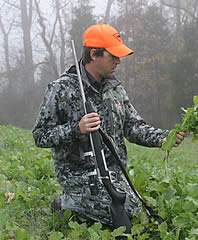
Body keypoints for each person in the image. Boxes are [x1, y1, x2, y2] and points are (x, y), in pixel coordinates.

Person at [32, 23, 185, 227]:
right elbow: (40, 135)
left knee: (138, 215)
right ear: (94, 54)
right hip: (77, 175)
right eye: (112, 56)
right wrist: (76, 128)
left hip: (112, 174)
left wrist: (163, 138)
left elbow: (133, 127)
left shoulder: (115, 88)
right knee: (123, 218)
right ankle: (65, 203)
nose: (118, 62)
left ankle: (89, 206)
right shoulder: (61, 89)